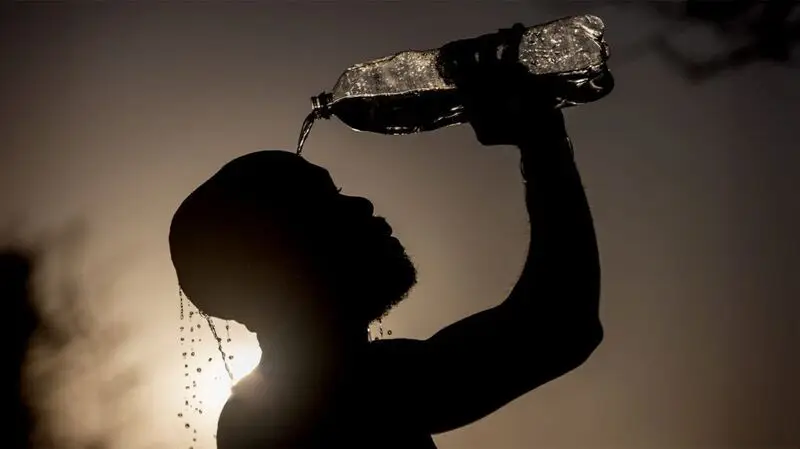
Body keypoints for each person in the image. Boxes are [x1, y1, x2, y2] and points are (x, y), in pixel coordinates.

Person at [169, 54, 604, 448]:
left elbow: (558, 328)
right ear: (275, 261)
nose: (362, 204)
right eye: (322, 203)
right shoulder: (306, 401)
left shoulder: (282, 400)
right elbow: (557, 326)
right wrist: (540, 139)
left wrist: (540, 136)